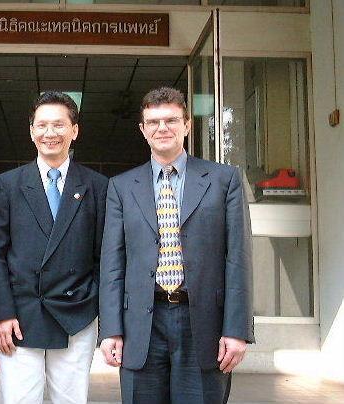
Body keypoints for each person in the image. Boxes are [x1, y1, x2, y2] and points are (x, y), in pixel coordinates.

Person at [99, 87, 254, 404]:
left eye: (171, 120)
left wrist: (237, 330)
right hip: (141, 324)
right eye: (153, 122)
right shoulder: (121, 187)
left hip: (204, 326)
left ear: (187, 125)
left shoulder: (224, 180)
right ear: (143, 130)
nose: (162, 128)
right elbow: (113, 263)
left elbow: (238, 259)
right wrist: (111, 329)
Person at [0, 91, 108, 404]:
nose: (49, 133)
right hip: (20, 317)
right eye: (41, 125)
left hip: (75, 314)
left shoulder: (97, 186)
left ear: (74, 130)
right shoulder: (7, 184)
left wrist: (93, 305)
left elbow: (104, 255)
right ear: (31, 130)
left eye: (59, 125)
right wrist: (2, 314)